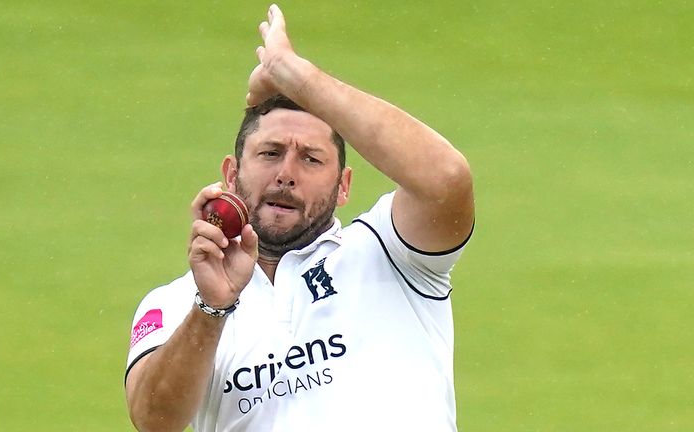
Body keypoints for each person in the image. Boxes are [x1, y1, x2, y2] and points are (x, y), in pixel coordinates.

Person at [125, 4, 474, 431]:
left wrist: (294, 75)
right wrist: (212, 307)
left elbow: (447, 180)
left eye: (311, 159)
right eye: (270, 153)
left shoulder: (392, 253)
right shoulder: (178, 304)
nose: (286, 175)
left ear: (344, 185)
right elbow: (155, 420)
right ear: (231, 175)